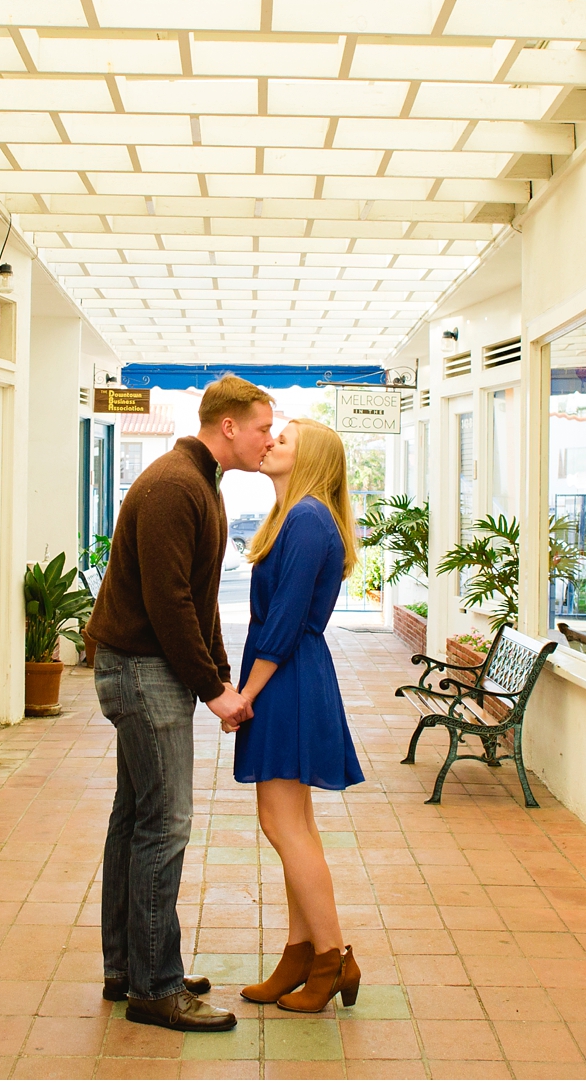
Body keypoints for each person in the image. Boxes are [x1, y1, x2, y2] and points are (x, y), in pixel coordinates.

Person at [83, 374, 275, 1034]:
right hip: (142, 671)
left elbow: (197, 599)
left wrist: (218, 676)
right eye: (261, 427)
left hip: (146, 669)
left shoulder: (198, 482)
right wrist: (213, 688)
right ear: (228, 427)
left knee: (135, 818)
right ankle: (156, 987)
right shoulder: (175, 484)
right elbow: (169, 605)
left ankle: (129, 968)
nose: (268, 439)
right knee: (163, 824)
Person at [233, 417, 365, 1014]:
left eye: (282, 440)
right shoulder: (298, 516)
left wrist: (247, 694)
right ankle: (300, 950)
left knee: (285, 827)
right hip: (290, 676)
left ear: (306, 459)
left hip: (286, 679)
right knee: (294, 826)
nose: (270, 444)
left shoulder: (309, 518)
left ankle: (331, 957)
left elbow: (283, 621)